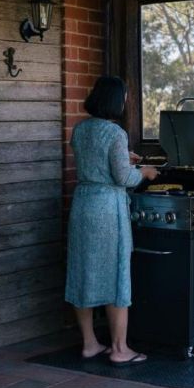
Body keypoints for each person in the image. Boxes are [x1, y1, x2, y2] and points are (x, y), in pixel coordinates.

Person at [65, 76, 159, 366]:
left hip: (82, 205)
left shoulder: (80, 129)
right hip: (107, 210)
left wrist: (124, 158)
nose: (127, 102)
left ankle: (90, 344)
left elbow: (94, 161)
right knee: (117, 275)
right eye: (125, 97)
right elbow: (123, 178)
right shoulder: (116, 133)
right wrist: (144, 172)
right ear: (115, 100)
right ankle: (120, 349)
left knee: (82, 271)